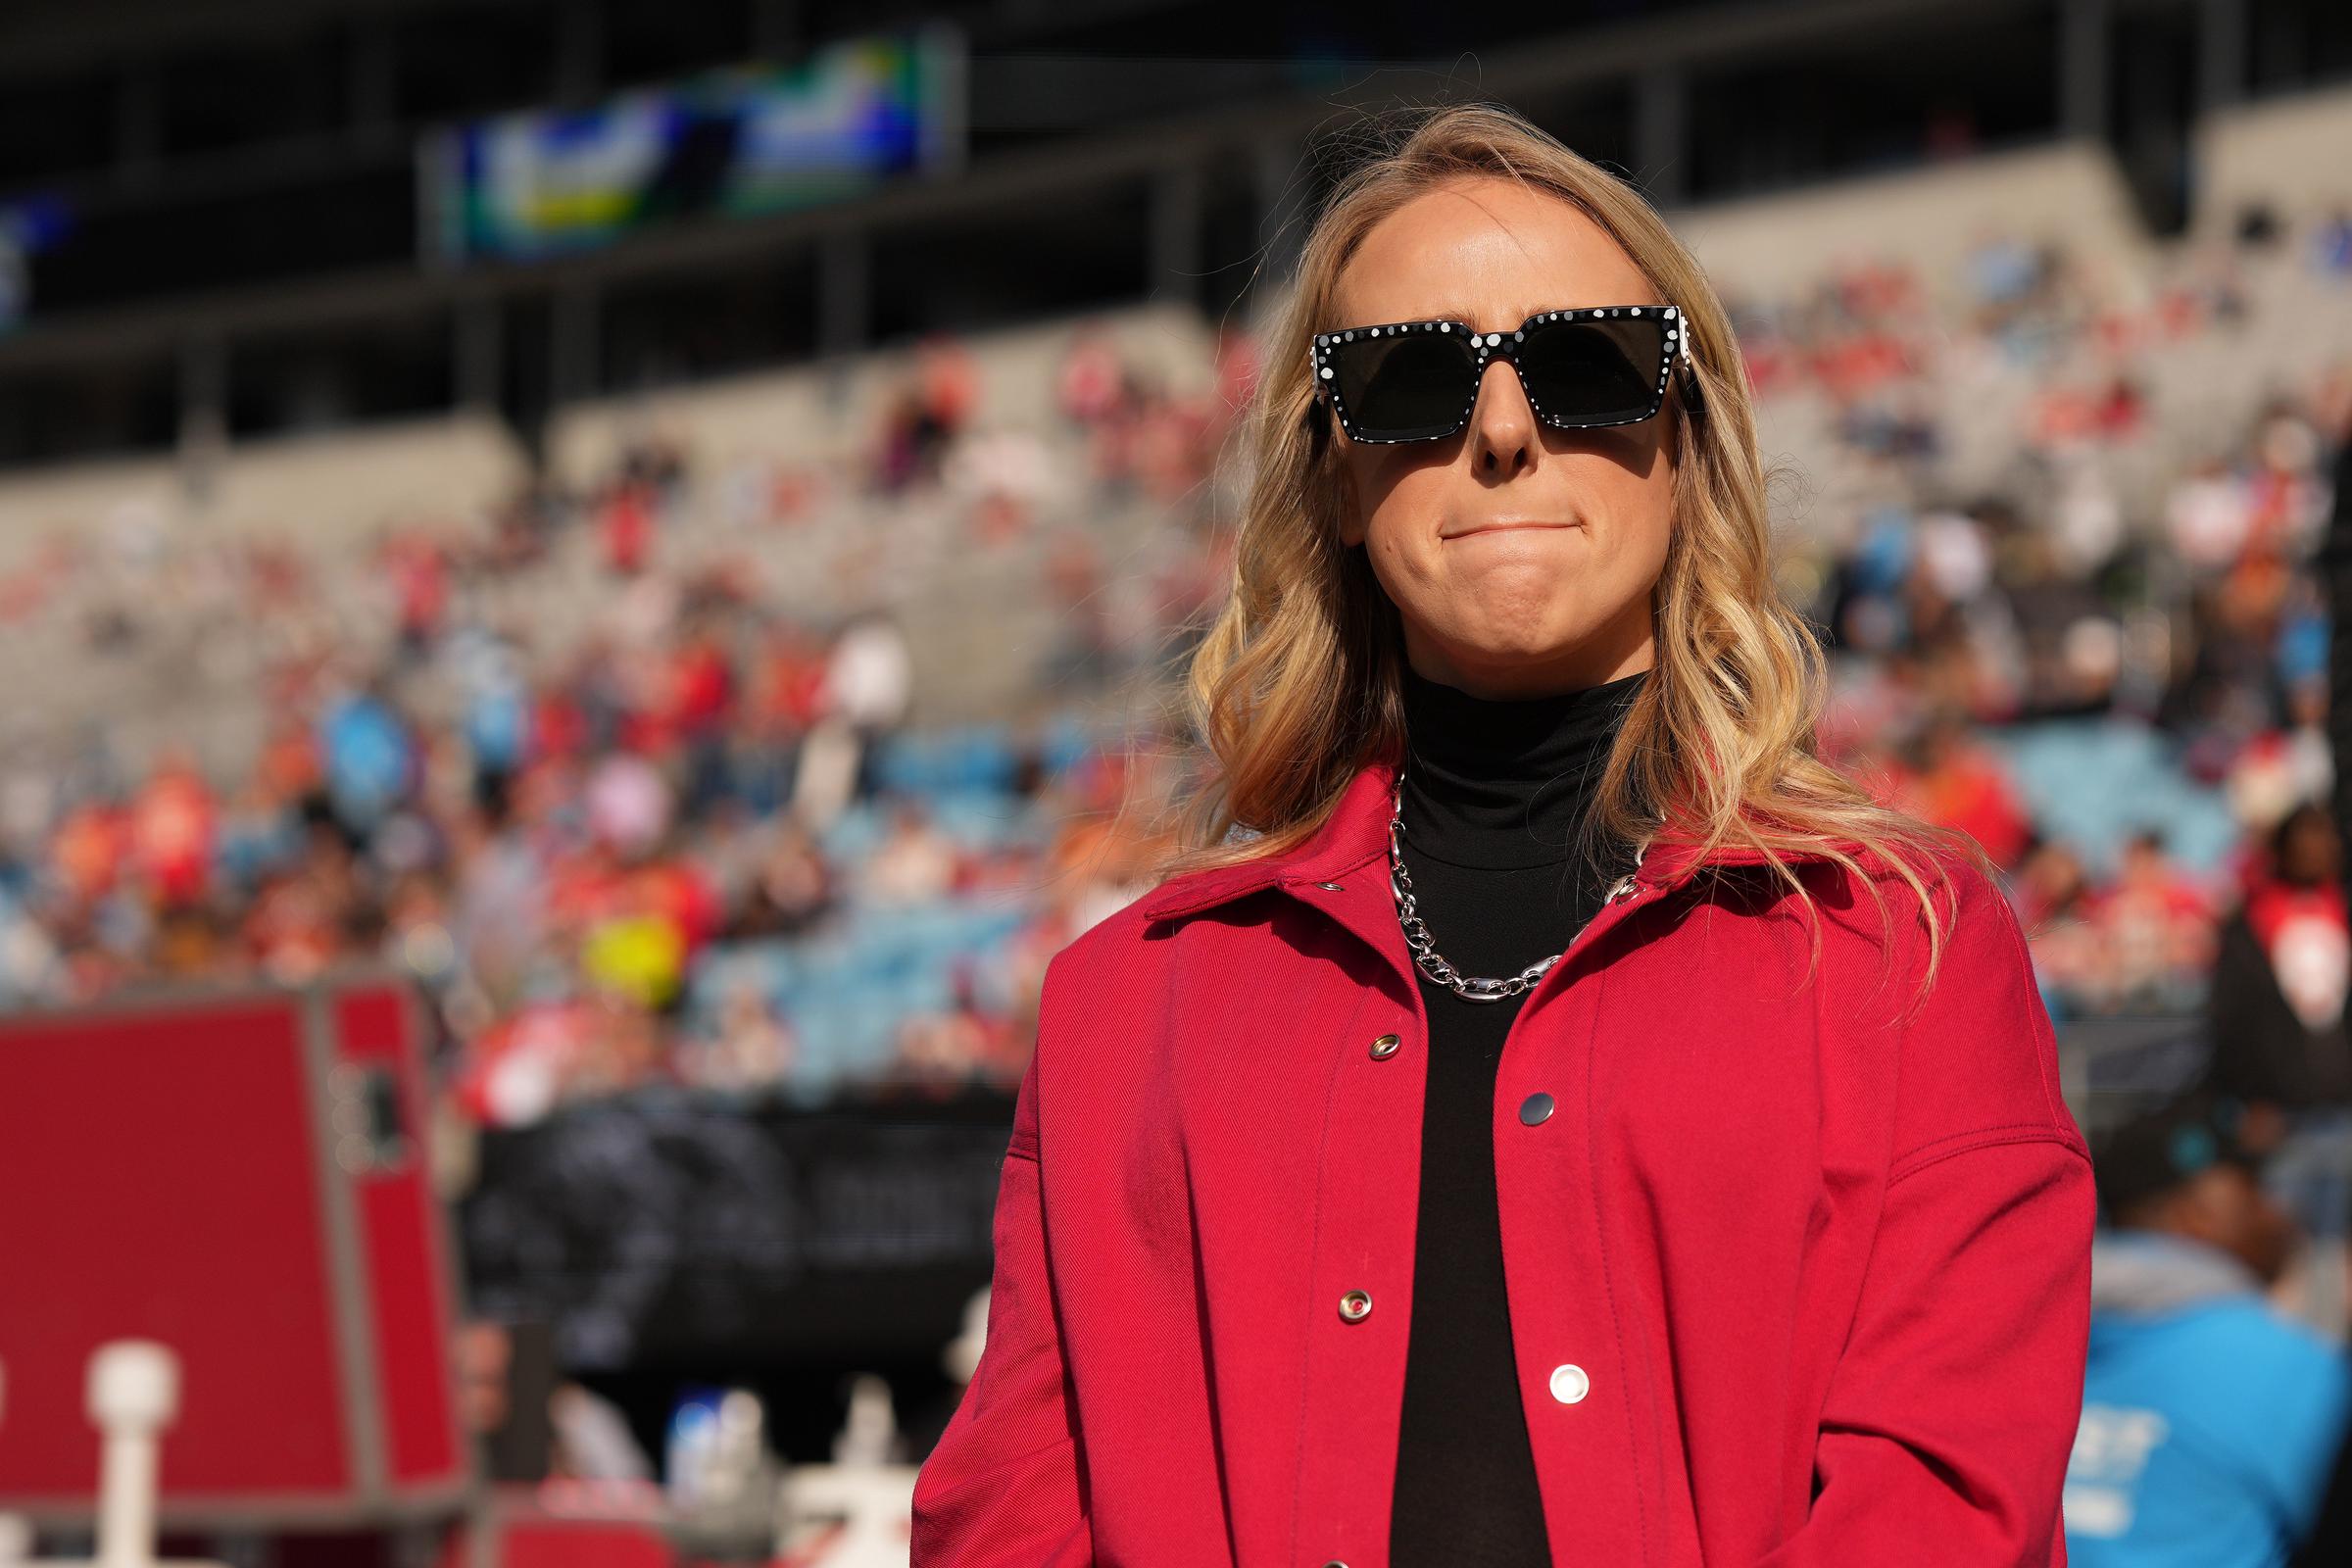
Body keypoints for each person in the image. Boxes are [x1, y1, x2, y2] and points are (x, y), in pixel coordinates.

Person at [910, 102, 2095, 1566]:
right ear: (1336, 474)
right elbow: (1008, 1524)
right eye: (1409, 378)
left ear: (1683, 438)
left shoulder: (1906, 950)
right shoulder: (1123, 1009)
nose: (1504, 429)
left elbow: (1945, 1508)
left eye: (1588, 362)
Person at [2064, 1094, 2351, 1566]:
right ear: (2190, 1213)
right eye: (2253, 1187)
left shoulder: (2036, 1341)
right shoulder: (2282, 1368)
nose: (2277, 1208)